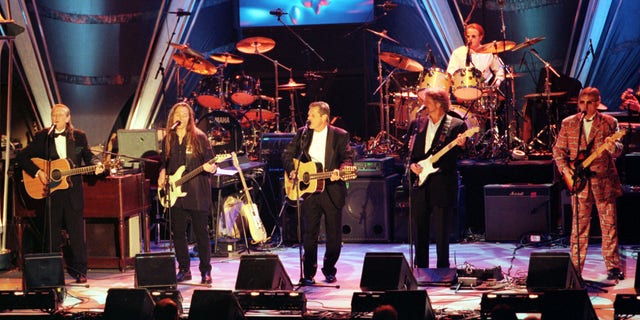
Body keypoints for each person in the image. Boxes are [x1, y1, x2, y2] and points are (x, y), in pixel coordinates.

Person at [17, 103, 105, 283]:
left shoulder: (79, 138)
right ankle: (51, 273)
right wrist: (38, 172)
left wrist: (96, 165)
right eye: (53, 115)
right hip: (51, 192)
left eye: (59, 115)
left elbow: (87, 156)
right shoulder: (44, 136)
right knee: (52, 234)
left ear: (67, 118)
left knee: (76, 234)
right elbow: (22, 157)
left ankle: (80, 271)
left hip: (73, 192)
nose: (55, 118)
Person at [552, 87, 624, 280]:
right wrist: (566, 170)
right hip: (579, 183)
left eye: (590, 102)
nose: (585, 106)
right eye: (582, 102)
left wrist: (612, 147)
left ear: (597, 103)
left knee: (609, 226)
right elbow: (558, 151)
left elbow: (619, 148)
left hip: (604, 182)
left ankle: (613, 267)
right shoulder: (569, 123)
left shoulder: (610, 122)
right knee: (579, 228)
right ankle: (575, 268)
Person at [282, 101, 353, 284]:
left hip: (331, 190)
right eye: (308, 114)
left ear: (323, 117)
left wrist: (341, 170)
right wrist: (292, 170)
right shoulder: (303, 134)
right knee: (309, 234)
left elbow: (348, 159)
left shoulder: (340, 135)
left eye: (312, 115)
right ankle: (308, 273)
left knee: (333, 236)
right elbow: (288, 155)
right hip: (310, 190)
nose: (308, 118)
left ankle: (329, 268)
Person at [157, 101, 217, 284]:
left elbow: (212, 163)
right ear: (172, 118)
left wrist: (211, 168)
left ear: (190, 118)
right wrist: (162, 173)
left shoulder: (200, 137)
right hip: (175, 194)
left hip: (197, 192)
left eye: (184, 115)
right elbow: (164, 162)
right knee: (178, 233)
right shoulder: (169, 138)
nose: (180, 118)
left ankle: (206, 271)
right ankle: (184, 268)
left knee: (201, 233)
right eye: (178, 115)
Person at [407, 88, 468, 269]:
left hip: (442, 181)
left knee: (442, 229)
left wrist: (462, 144)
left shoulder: (456, 125)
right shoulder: (418, 123)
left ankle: (443, 269)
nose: (424, 104)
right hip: (421, 181)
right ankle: (421, 267)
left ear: (439, 104)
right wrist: (412, 166)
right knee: (420, 227)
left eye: (428, 101)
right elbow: (407, 151)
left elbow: (463, 152)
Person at [446, 22, 505, 101]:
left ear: (480, 37)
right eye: (468, 36)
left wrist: (497, 83)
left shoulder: (489, 52)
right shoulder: (458, 53)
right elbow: (450, 73)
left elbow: (499, 70)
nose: (470, 39)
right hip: (463, 93)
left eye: (473, 36)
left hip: (484, 93)